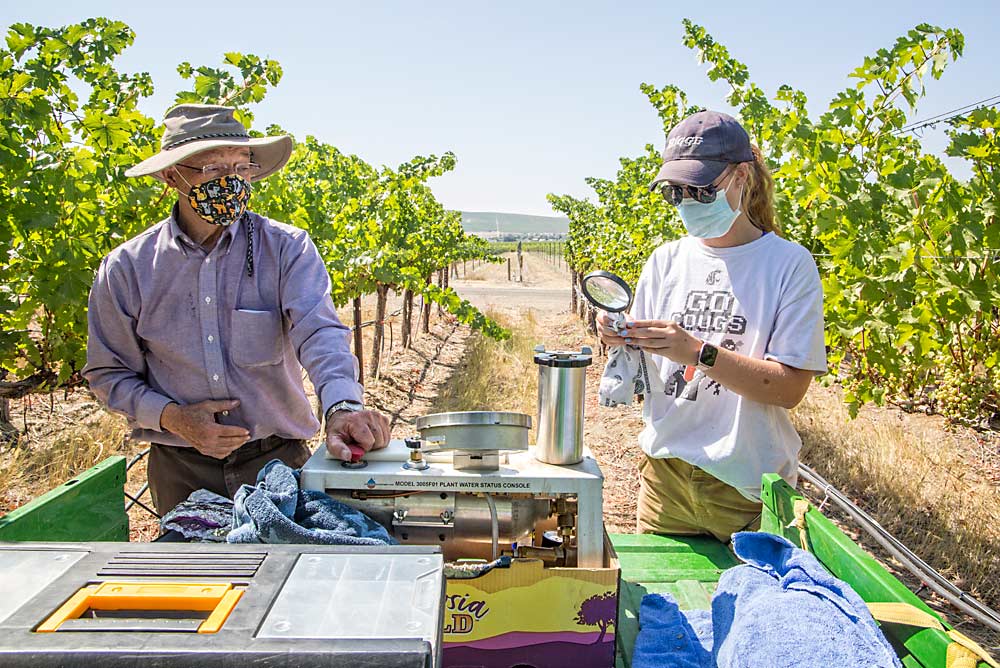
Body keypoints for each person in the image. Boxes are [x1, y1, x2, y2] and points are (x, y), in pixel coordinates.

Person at [83, 104, 390, 515]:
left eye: (241, 168)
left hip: (278, 462)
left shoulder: (286, 249)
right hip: (181, 469)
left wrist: (341, 407)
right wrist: (174, 418)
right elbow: (108, 373)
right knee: (195, 578)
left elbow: (320, 334)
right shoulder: (127, 269)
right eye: (212, 170)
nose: (231, 182)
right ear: (172, 176)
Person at [597, 110, 827, 542]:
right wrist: (617, 334)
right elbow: (646, 366)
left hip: (745, 491)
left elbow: (789, 390)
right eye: (676, 192)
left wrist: (697, 352)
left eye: (701, 190)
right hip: (665, 483)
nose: (687, 202)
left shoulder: (788, 266)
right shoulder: (665, 260)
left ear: (741, 177)